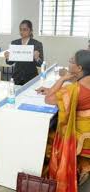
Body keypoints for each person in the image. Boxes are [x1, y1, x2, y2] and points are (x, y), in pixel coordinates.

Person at [38, 50, 90, 191]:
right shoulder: (83, 83)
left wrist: (62, 79)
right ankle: (84, 165)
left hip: (80, 135)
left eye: (72, 61)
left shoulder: (74, 89)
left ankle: (49, 172)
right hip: (88, 127)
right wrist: (52, 88)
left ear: (79, 68)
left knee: (47, 135)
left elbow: (49, 99)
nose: (69, 62)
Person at [4, 20, 44, 85]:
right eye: (20, 29)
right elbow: (10, 63)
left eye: (25, 29)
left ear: (30, 31)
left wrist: (37, 58)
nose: (22, 32)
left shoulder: (37, 44)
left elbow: (41, 64)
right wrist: (8, 57)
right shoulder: (14, 43)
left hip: (31, 77)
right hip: (17, 77)